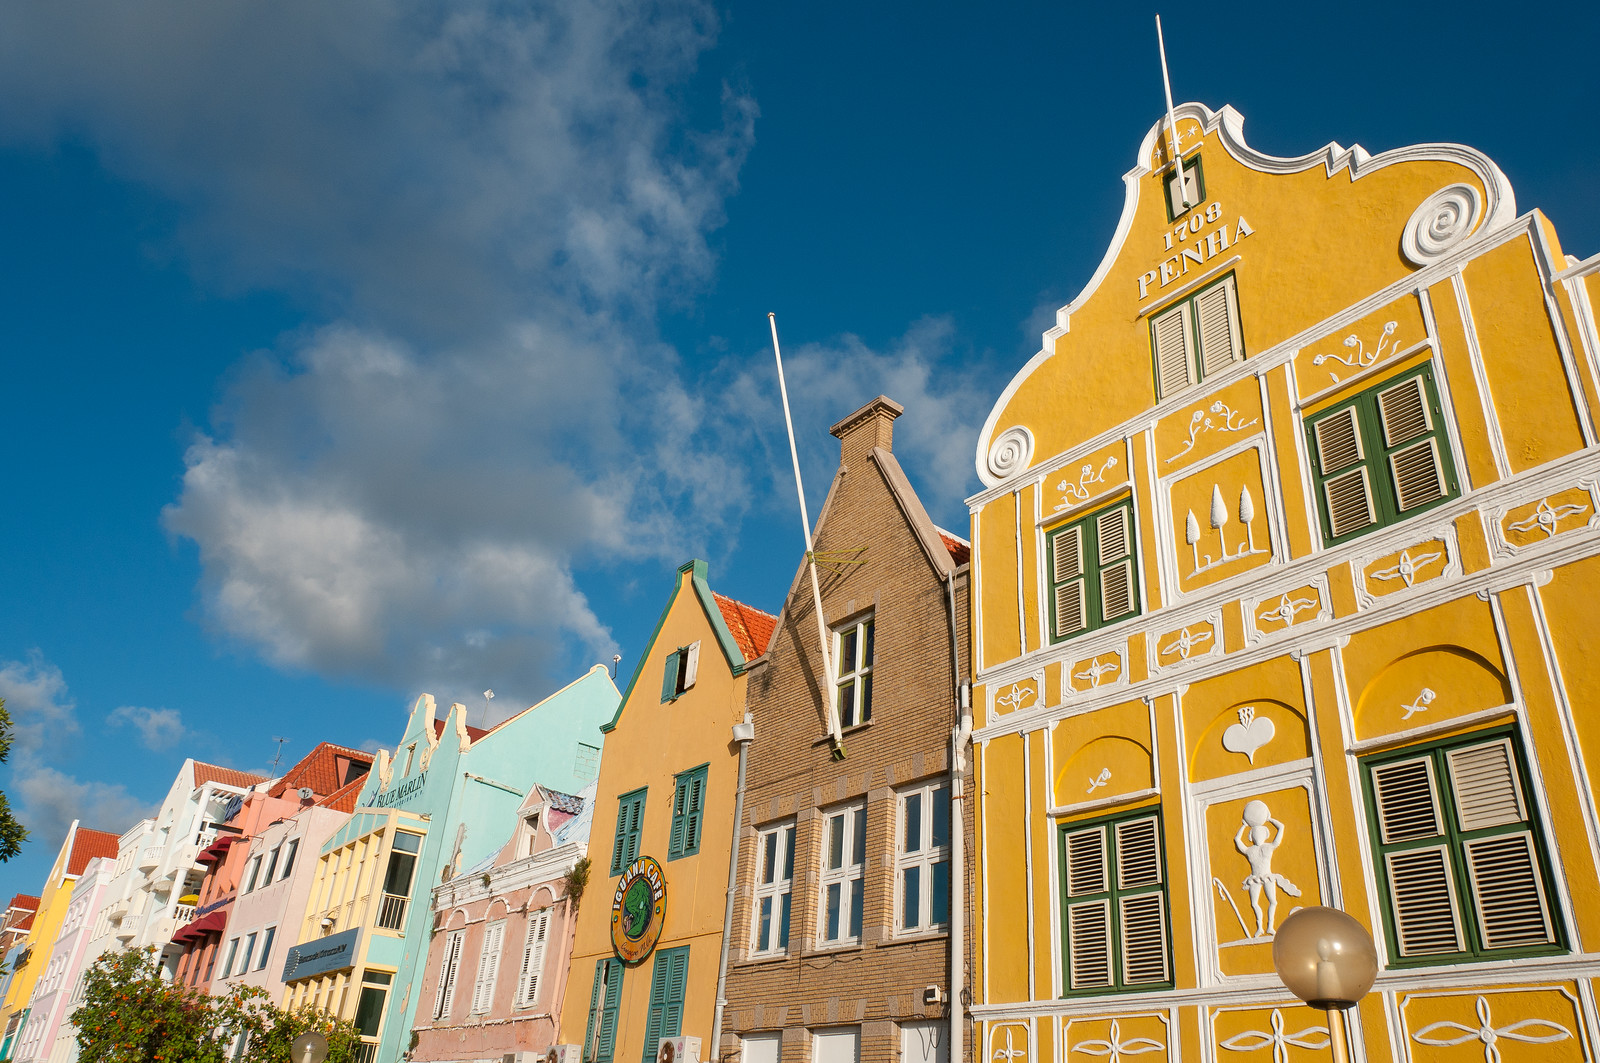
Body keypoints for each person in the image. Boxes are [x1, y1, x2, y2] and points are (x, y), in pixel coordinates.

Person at [1234, 800, 1301, 936]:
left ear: (1265, 835)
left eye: (1260, 834)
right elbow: (1237, 840)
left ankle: (1270, 926)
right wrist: (1244, 825)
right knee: (1254, 903)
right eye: (1255, 834)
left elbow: (1281, 827)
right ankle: (1259, 928)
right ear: (1251, 836)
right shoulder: (1250, 850)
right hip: (1255, 878)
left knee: (1273, 901)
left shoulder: (1268, 847)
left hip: (1268, 877)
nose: (1257, 837)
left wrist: (1269, 819)